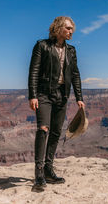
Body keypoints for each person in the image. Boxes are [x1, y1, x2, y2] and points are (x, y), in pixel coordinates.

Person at [28, 16, 85, 191]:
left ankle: (48, 169)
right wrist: (33, 95)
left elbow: (75, 74)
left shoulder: (71, 51)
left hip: (62, 95)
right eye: (68, 28)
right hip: (44, 94)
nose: (71, 32)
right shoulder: (42, 46)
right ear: (58, 28)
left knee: (55, 132)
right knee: (43, 129)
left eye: (72, 29)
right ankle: (38, 173)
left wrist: (79, 97)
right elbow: (34, 71)